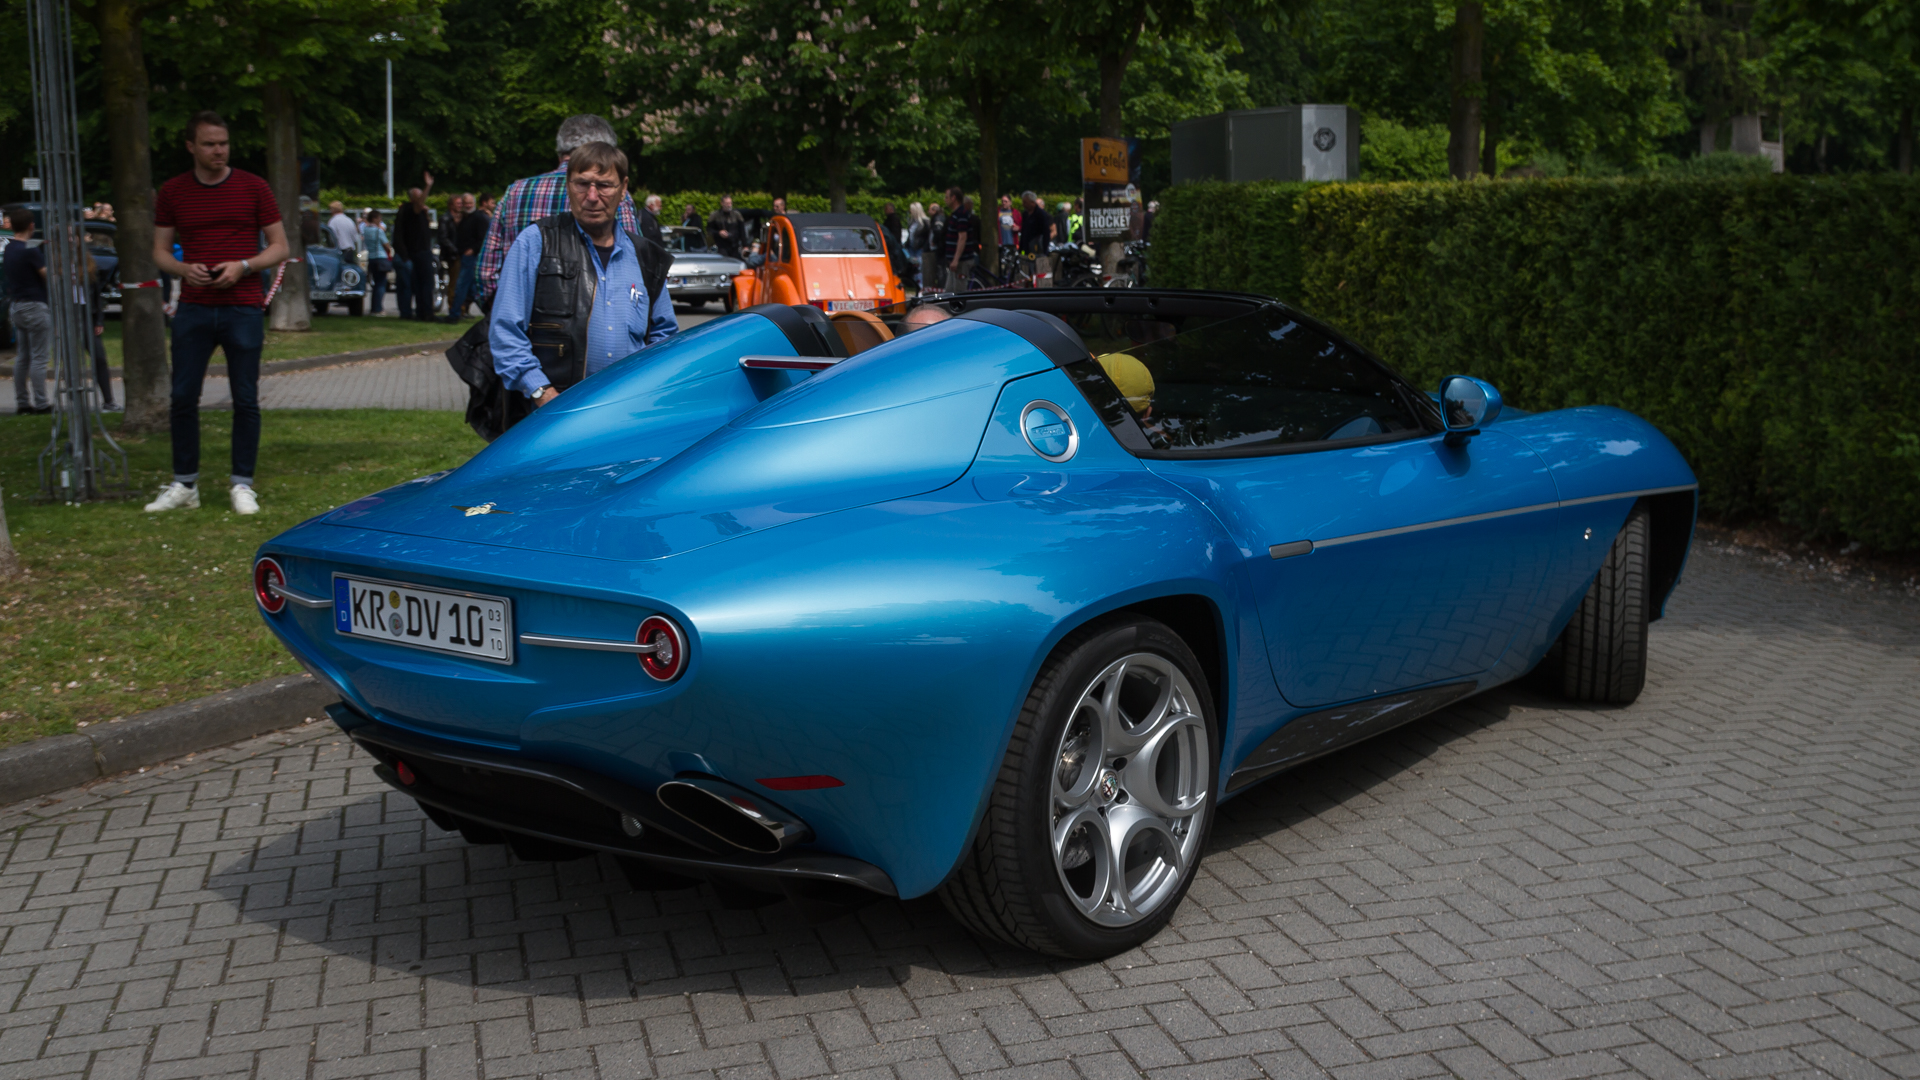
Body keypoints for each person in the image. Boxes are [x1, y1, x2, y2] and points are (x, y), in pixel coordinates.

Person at [145, 110, 289, 515]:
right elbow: (159, 249)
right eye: (209, 144)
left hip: (242, 306)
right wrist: (182, 268)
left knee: (245, 398)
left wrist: (243, 265)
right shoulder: (173, 191)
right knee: (182, 396)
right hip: (194, 306)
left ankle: (242, 484)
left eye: (223, 143)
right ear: (191, 146)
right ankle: (184, 484)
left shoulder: (253, 187)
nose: (218, 151)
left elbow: (280, 247)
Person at [490, 141, 676, 417]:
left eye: (604, 185)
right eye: (582, 184)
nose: (592, 196)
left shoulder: (647, 257)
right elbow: (505, 330)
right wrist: (542, 393)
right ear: (568, 186)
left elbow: (665, 337)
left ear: (623, 188)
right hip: (551, 415)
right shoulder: (537, 242)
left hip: (625, 413)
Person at [478, 115, 641, 304]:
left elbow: (486, 272)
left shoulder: (516, 191)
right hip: (593, 321)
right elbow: (633, 265)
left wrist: (506, 312)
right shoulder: (613, 193)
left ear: (560, 151)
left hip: (520, 320)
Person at [4, 207, 50, 414]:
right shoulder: (31, 251)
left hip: (17, 306)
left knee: (22, 357)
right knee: (39, 357)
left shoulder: (10, 248)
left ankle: (22, 402)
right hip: (35, 305)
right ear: (32, 225)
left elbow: (23, 250)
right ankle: (41, 403)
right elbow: (45, 274)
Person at [392, 174, 437, 321]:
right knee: (422, 284)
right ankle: (424, 312)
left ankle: (421, 312)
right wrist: (428, 186)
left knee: (419, 285)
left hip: (418, 252)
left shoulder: (417, 212)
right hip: (418, 253)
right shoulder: (410, 209)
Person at [449, 192, 491, 320]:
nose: (467, 205)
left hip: (472, 256)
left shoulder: (479, 218)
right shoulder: (464, 218)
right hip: (465, 255)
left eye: (469, 203)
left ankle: (454, 314)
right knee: (473, 289)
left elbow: (484, 238)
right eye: (465, 203)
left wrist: (473, 249)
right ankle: (490, 313)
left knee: (462, 285)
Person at [941, 188, 977, 293]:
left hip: (961, 261)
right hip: (955, 261)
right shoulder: (956, 214)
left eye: (947, 197)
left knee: (958, 291)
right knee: (949, 291)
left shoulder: (961, 215)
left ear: (954, 198)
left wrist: (956, 259)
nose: (945, 200)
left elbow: (962, 237)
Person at [437, 194, 467, 313]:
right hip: (453, 255)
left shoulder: (463, 218)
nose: (460, 205)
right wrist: (455, 250)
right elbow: (443, 238)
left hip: (461, 253)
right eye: (458, 203)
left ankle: (461, 307)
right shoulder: (445, 219)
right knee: (454, 282)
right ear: (451, 205)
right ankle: (453, 307)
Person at [360, 208, 393, 315]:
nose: (380, 220)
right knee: (381, 284)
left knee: (375, 284)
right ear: (374, 218)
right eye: (379, 218)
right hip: (381, 257)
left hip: (371, 258)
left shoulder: (365, 230)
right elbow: (386, 245)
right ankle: (378, 308)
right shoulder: (379, 231)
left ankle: (373, 307)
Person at [1019, 191, 1052, 286]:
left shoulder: (1041, 214)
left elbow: (1046, 232)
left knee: (1039, 273)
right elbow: (1024, 231)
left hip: (1038, 249)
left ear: (1032, 203)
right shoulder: (1025, 214)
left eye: (1025, 202)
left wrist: (1045, 250)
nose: (1023, 204)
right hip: (1027, 248)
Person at [707, 194, 745, 259]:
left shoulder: (736, 215)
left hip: (735, 245)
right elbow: (709, 229)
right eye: (727, 203)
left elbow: (742, 231)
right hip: (721, 246)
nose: (729, 205)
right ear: (722, 203)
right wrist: (718, 232)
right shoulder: (715, 215)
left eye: (730, 203)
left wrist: (745, 245)